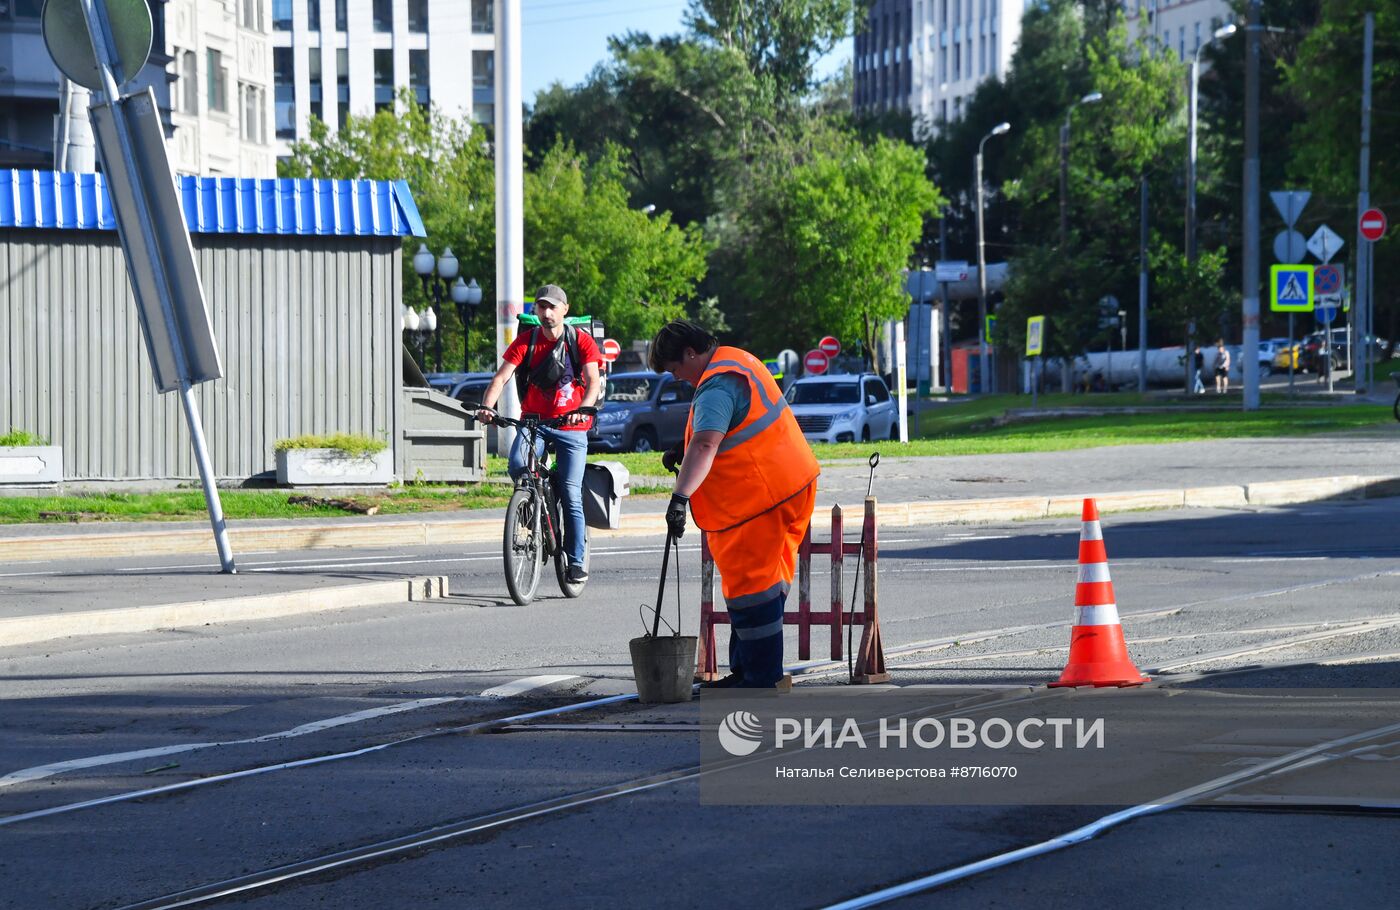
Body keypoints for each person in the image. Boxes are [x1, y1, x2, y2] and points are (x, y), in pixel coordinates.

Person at [652, 320, 819, 689]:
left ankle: (760, 677)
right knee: (767, 583)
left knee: (750, 587)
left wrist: (680, 498)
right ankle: (750, 669)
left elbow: (707, 444)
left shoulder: (716, 385)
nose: (678, 378)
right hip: (790, 486)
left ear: (690, 353)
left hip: (759, 499)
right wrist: (684, 450)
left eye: (675, 368)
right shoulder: (737, 360)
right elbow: (733, 428)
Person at [475, 285, 602, 583]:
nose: (547, 313)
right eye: (542, 307)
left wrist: (584, 408)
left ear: (564, 310)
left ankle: (577, 561)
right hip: (535, 422)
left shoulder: (580, 341)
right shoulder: (526, 341)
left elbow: (593, 381)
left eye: (552, 307)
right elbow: (501, 377)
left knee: (571, 494)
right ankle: (532, 504)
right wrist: (486, 408)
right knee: (518, 466)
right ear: (536, 310)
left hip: (572, 425)